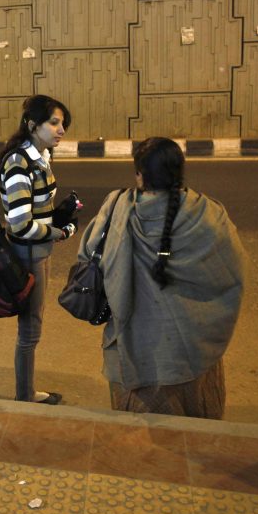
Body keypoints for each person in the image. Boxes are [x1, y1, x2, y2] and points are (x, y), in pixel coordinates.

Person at [75, 137, 246, 418]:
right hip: (191, 354)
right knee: (194, 437)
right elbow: (231, 273)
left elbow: (89, 256)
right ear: (179, 172)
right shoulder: (208, 212)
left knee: (140, 443)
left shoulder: (116, 207)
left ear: (140, 175)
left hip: (134, 349)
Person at [0, 94, 80, 405]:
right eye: (54, 123)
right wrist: (60, 232)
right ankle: (25, 396)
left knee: (33, 325)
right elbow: (20, 224)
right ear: (33, 125)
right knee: (30, 329)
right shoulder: (20, 162)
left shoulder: (41, 157)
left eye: (63, 124)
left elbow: (34, 208)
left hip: (39, 251)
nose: (61, 130)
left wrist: (59, 215)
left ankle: (26, 392)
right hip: (29, 253)